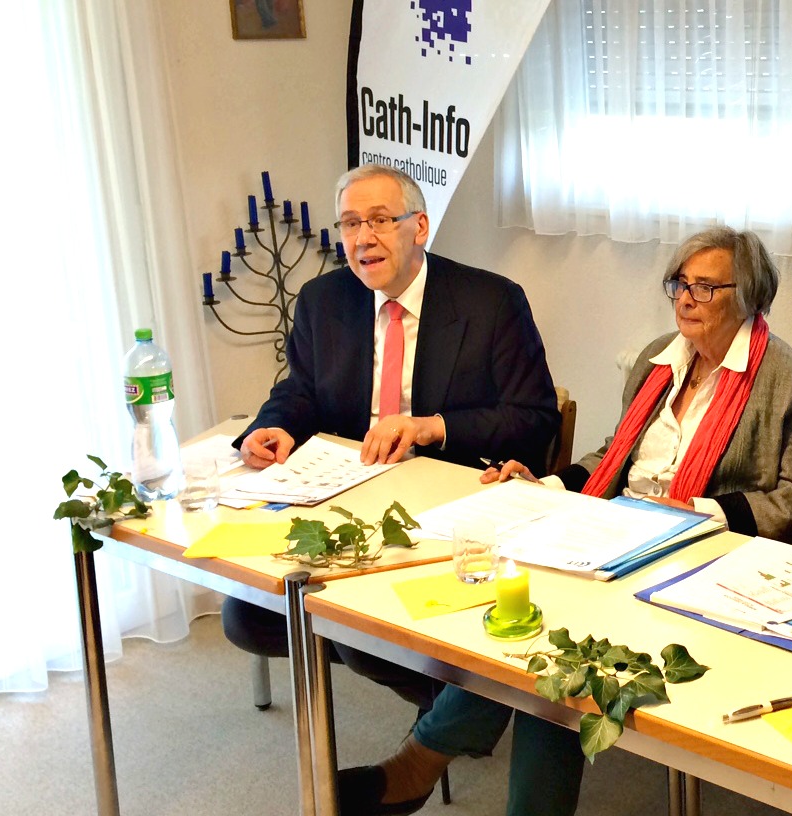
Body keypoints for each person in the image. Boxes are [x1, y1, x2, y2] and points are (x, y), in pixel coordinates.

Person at [337, 226, 792, 816]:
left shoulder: (790, 379)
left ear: (748, 296)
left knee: (558, 656)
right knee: (529, 630)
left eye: (704, 287)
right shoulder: (657, 358)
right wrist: (545, 483)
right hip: (617, 534)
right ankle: (428, 761)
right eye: (679, 284)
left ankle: (420, 761)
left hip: (704, 559)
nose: (685, 300)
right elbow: (613, 455)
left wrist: (697, 509)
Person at [222, 164, 559, 713]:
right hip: (348, 499)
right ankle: (435, 682)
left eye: (380, 220)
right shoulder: (322, 301)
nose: (363, 238)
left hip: (446, 508)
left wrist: (431, 425)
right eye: (350, 224)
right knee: (249, 616)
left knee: (368, 639)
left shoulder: (491, 302)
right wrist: (273, 426)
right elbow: (301, 391)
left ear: (419, 227)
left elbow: (535, 416)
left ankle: (447, 712)